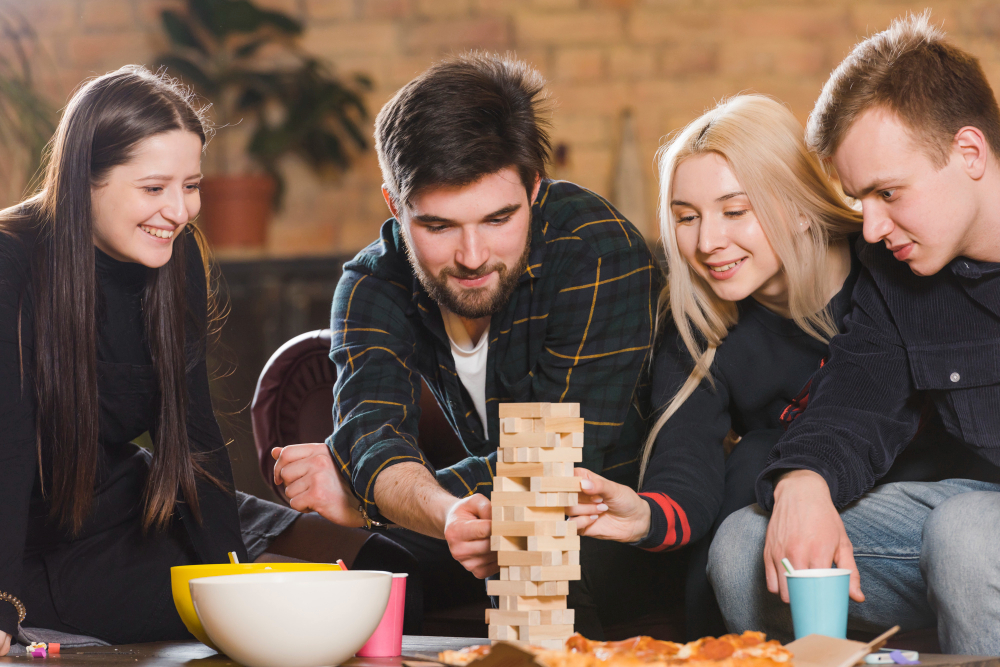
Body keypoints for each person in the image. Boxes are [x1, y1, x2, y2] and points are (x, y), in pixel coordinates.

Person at [0, 65, 419, 655]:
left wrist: (230, 567)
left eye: (191, 185)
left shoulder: (173, 257)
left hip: (133, 501)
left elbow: (194, 432)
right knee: (287, 614)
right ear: (83, 180)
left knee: (383, 567)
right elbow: (8, 454)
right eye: (153, 188)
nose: (179, 211)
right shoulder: (11, 258)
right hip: (34, 540)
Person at [272, 52, 666, 637]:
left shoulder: (594, 247)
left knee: (539, 548)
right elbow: (371, 435)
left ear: (535, 187)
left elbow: (558, 464)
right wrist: (437, 508)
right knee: (334, 569)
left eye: (498, 219)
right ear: (394, 207)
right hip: (483, 535)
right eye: (438, 227)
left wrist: (366, 498)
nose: (473, 256)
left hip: (617, 533)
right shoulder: (372, 285)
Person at [707, 14, 1000, 655]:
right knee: (745, 546)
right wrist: (804, 479)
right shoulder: (897, 273)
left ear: (970, 153)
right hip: (973, 516)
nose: (869, 228)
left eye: (888, 192)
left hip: (976, 530)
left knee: (968, 532)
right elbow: (857, 395)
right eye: (859, 199)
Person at [565, 94, 865, 638]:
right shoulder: (695, 321)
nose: (707, 242)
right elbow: (686, 468)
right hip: (773, 510)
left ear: (799, 206)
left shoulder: (886, 270)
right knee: (751, 462)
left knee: (756, 453)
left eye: (734, 211)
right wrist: (643, 514)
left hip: (903, 493)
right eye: (686, 217)